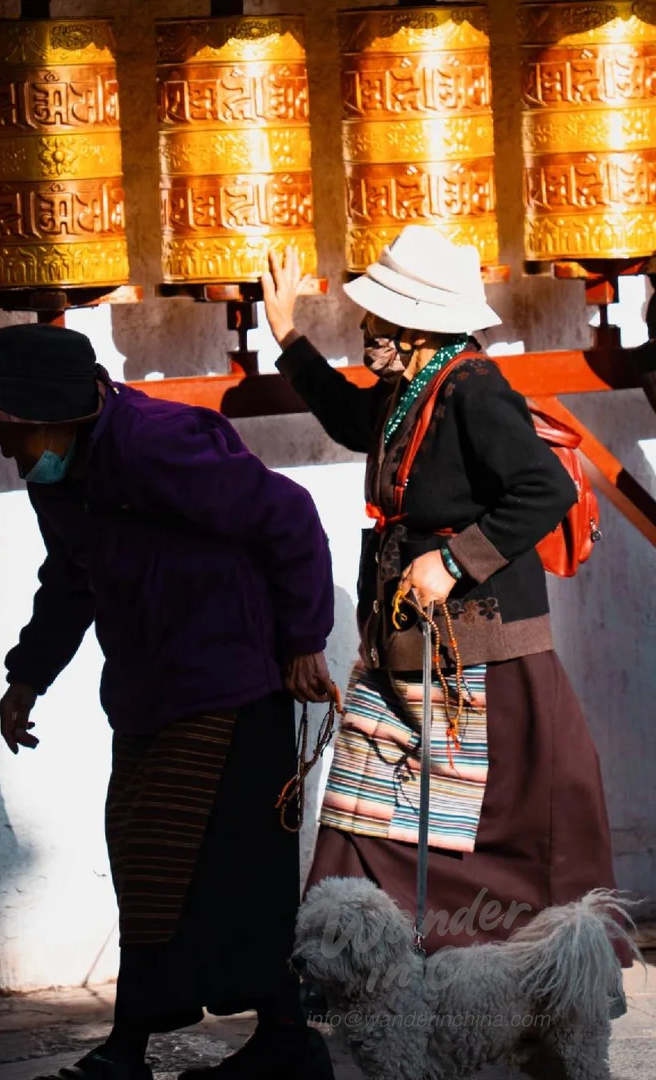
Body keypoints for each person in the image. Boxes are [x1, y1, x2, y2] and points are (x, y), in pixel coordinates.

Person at [261, 226, 629, 1053]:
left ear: (418, 328)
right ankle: (342, 1006)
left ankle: (534, 1006)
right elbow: (358, 424)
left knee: (501, 836)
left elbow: (537, 489)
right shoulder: (409, 389)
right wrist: (290, 339)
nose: (367, 332)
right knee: (366, 817)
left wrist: (455, 562)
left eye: (377, 321)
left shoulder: (473, 390)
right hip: (404, 652)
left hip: (482, 663)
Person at [0, 323, 337, 1080]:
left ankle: (219, 1045)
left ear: (69, 413)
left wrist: (303, 639)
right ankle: (255, 1042)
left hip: (231, 686)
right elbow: (69, 579)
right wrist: (28, 675)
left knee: (227, 871)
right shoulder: (59, 480)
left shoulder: (159, 444)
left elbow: (287, 517)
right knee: (153, 863)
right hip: (150, 692)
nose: (7, 449)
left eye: (17, 431)